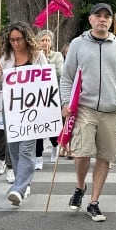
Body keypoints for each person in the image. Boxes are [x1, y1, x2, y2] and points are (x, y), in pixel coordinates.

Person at [60, 3, 116, 222]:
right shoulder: (77, 44)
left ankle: (94, 202)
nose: (102, 20)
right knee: (82, 151)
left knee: (105, 155)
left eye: (106, 17)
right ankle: (80, 186)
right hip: (85, 107)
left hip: (111, 111)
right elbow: (67, 77)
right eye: (98, 16)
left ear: (111, 21)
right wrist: (66, 102)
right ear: (90, 19)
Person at [0, 21, 48, 207]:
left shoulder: (38, 56)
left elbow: (47, 81)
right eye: (12, 40)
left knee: (26, 149)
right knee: (15, 149)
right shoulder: (5, 58)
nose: (16, 43)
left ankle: (18, 188)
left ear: (26, 38)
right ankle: (22, 182)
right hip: (11, 111)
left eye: (19, 39)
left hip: (32, 110)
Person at [35, 29, 64, 167]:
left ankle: (55, 145)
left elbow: (59, 73)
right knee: (38, 127)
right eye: (43, 40)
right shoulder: (33, 55)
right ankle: (38, 156)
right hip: (37, 97)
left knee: (52, 126)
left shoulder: (57, 56)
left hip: (53, 96)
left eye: (48, 40)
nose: (45, 43)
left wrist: (45, 60)